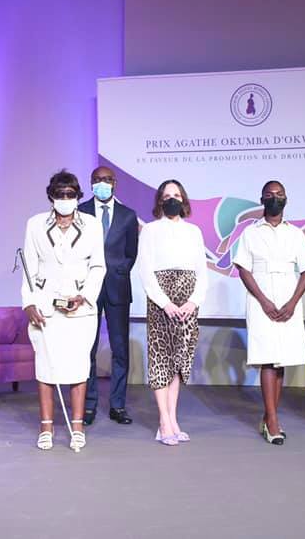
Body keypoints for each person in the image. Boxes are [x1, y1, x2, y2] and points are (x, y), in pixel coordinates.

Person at [23, 170, 106, 452]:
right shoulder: (35, 225)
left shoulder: (92, 225)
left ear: (78, 196)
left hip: (79, 310)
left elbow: (98, 266)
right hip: (46, 307)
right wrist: (29, 303)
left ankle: (77, 427)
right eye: (60, 194)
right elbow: (29, 268)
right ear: (51, 197)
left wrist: (85, 296)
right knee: (46, 367)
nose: (65, 199)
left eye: (70, 195)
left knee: (78, 367)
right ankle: (46, 427)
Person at [234, 181, 305, 445]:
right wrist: (263, 301)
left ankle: (269, 416)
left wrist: (293, 303)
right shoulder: (250, 233)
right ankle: (272, 421)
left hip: (288, 300)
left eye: (279, 194)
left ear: (286, 199)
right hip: (261, 301)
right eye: (269, 195)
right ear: (261, 199)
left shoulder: (296, 233)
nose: (275, 198)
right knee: (268, 359)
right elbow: (243, 270)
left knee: (282, 361)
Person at [137, 179, 207, 446]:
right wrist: (164, 302)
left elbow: (202, 270)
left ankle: (173, 419)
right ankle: (163, 421)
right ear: (160, 201)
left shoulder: (194, 231)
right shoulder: (150, 230)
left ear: (184, 199)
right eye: (167, 196)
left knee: (179, 361)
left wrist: (193, 302)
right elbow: (145, 270)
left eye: (176, 195)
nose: (172, 200)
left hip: (187, 302)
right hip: (161, 302)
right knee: (161, 359)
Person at [77, 166, 138, 426]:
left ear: (115, 183)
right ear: (91, 183)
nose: (102, 183)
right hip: (87, 289)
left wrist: (120, 270)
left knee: (120, 348)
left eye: (107, 180)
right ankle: (88, 405)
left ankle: (118, 405)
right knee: (87, 348)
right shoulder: (80, 212)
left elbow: (131, 253)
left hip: (117, 287)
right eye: (97, 180)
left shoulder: (128, 215)